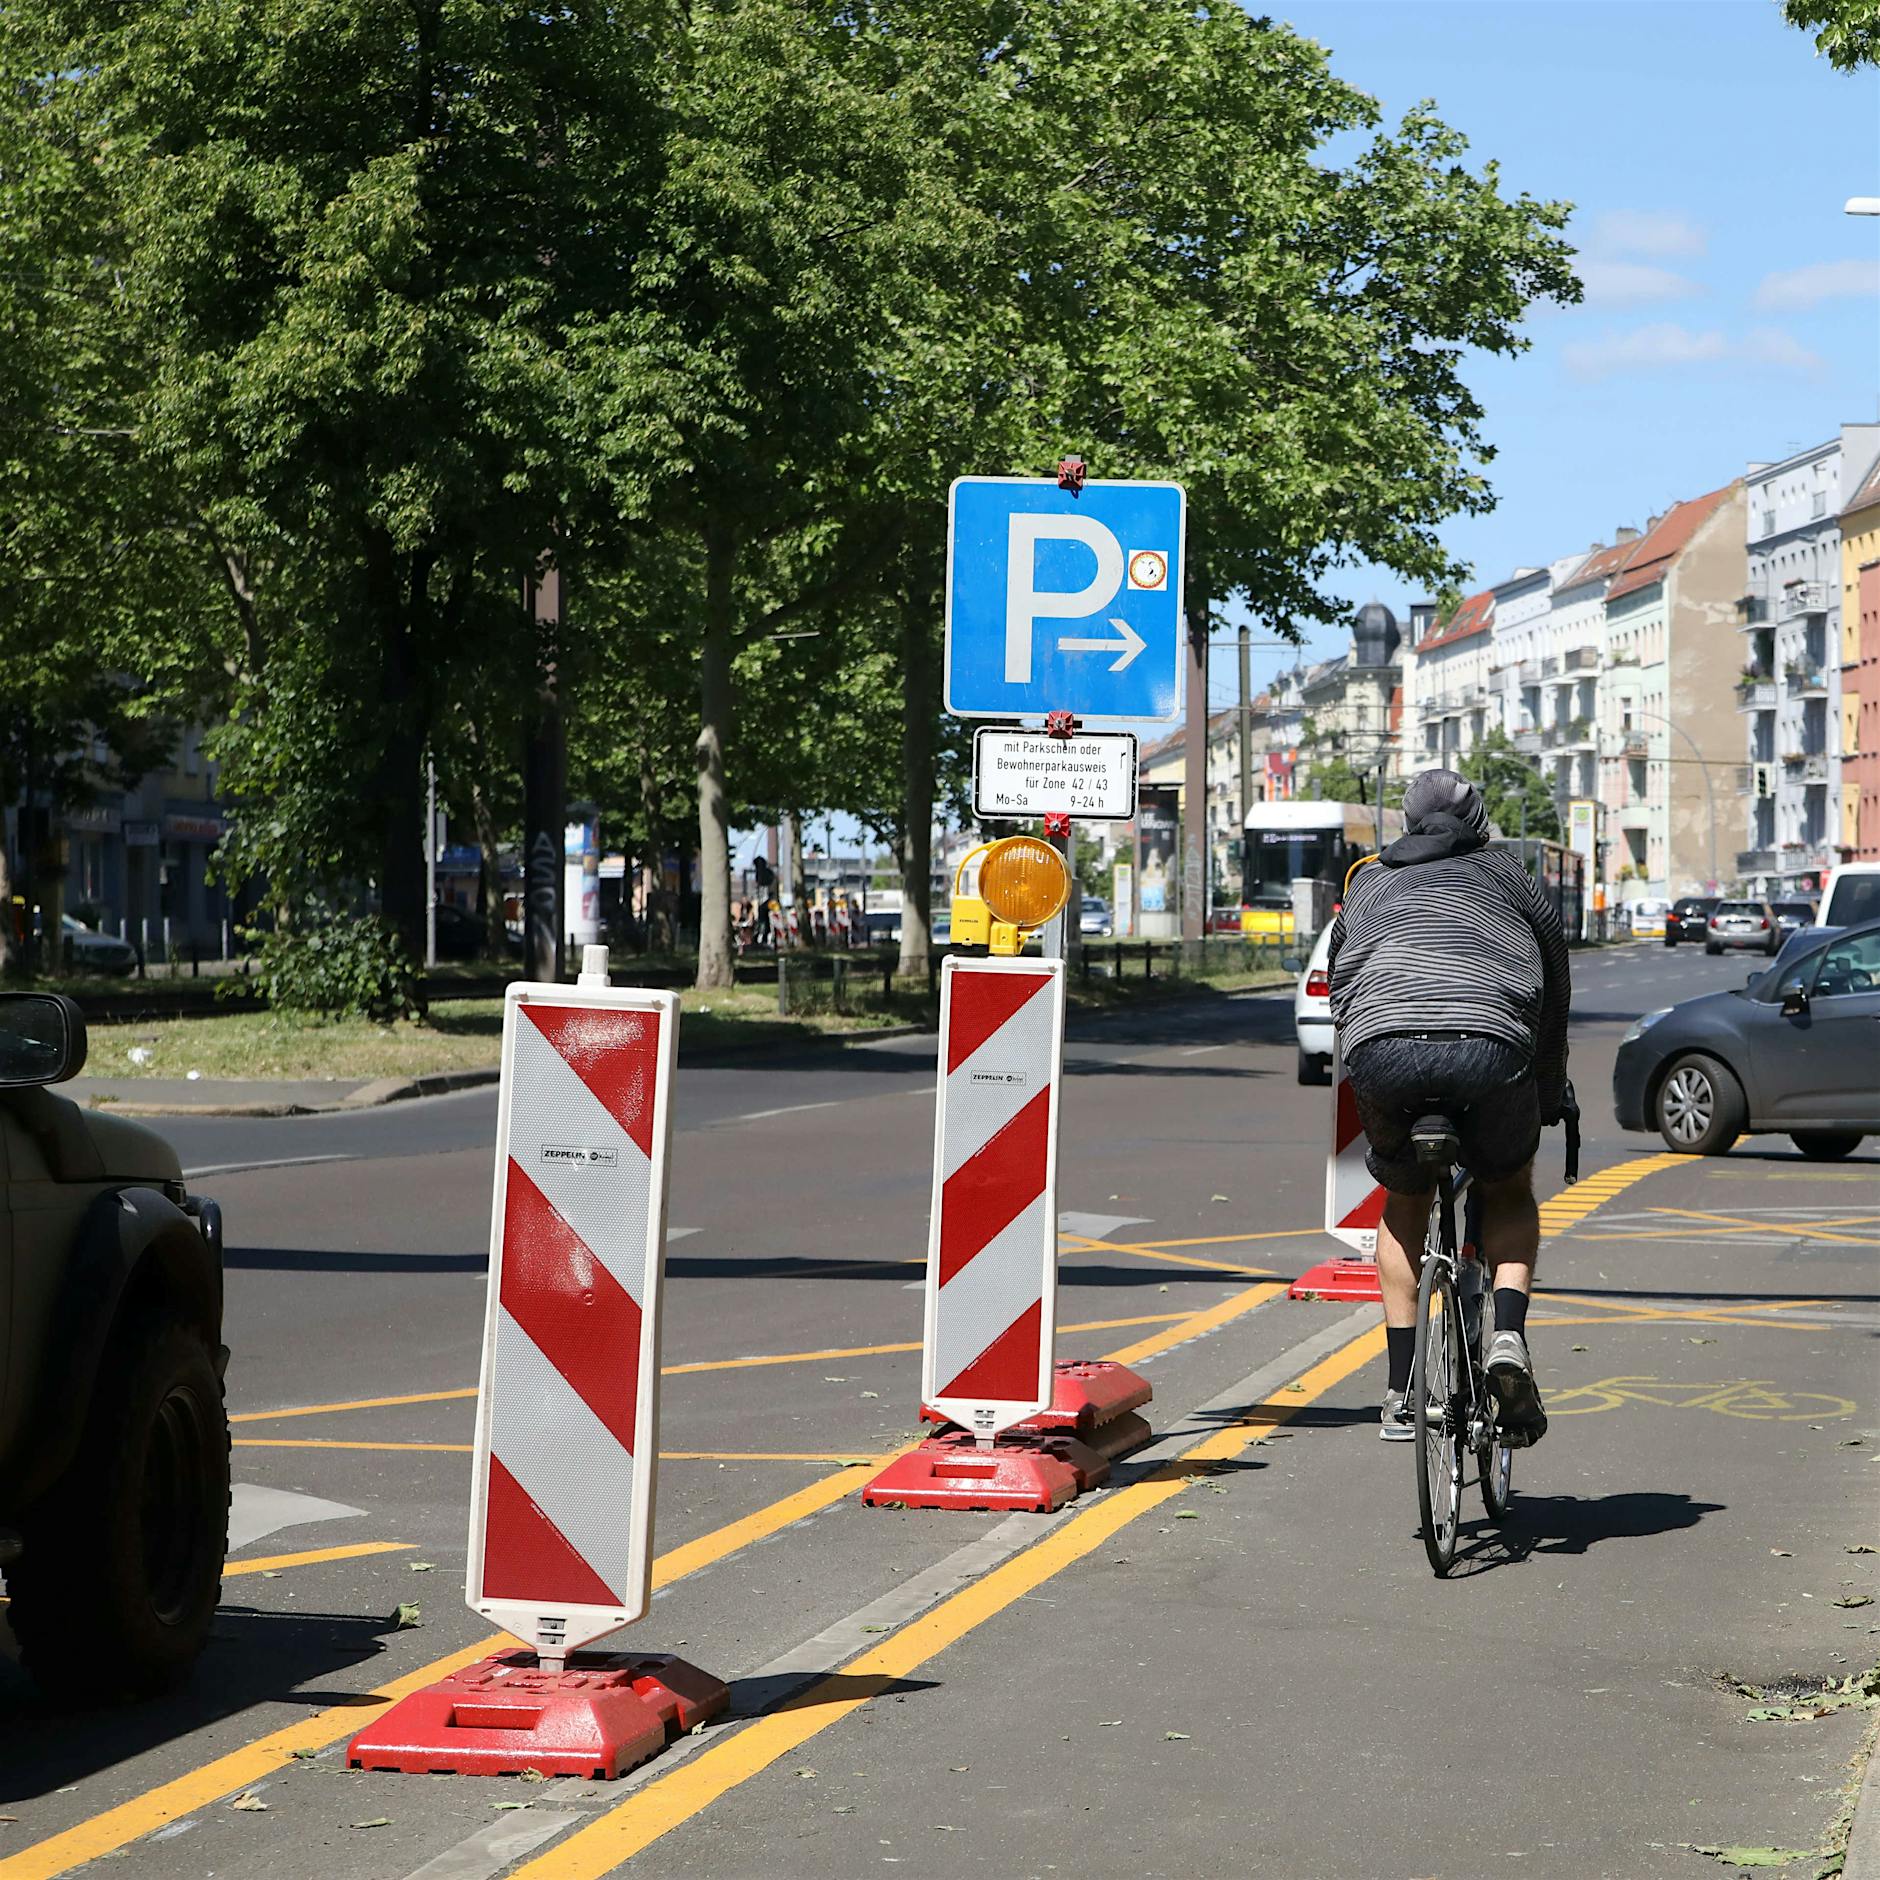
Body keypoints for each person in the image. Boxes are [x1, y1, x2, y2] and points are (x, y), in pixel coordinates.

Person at [1327, 768, 1570, 1447]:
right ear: (1482, 820)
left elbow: (1340, 983)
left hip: (1382, 1051)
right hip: (1490, 1050)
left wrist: (1369, 1063)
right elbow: (1555, 985)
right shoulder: (1511, 876)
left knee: (1404, 1199)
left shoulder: (1369, 881)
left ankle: (1402, 1393)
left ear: (1405, 820)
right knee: (1507, 1184)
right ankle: (1509, 1340)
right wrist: (1548, 1091)